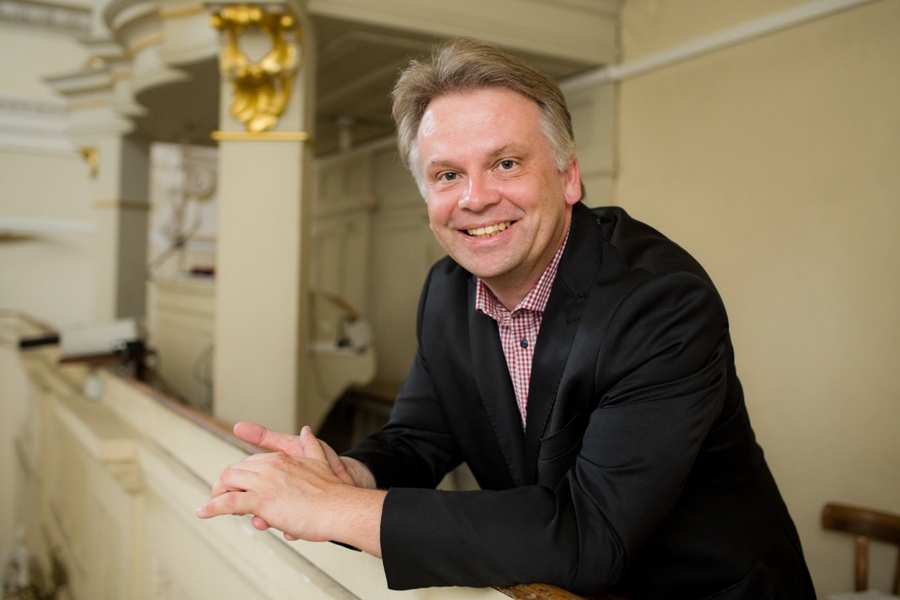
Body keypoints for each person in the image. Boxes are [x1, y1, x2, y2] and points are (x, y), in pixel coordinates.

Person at [197, 37, 816, 599]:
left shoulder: (661, 304)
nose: (475, 198)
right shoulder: (447, 290)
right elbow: (419, 437)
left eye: (506, 164)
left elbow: (591, 534)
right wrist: (345, 474)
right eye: (447, 174)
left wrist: (330, 509)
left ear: (568, 177)